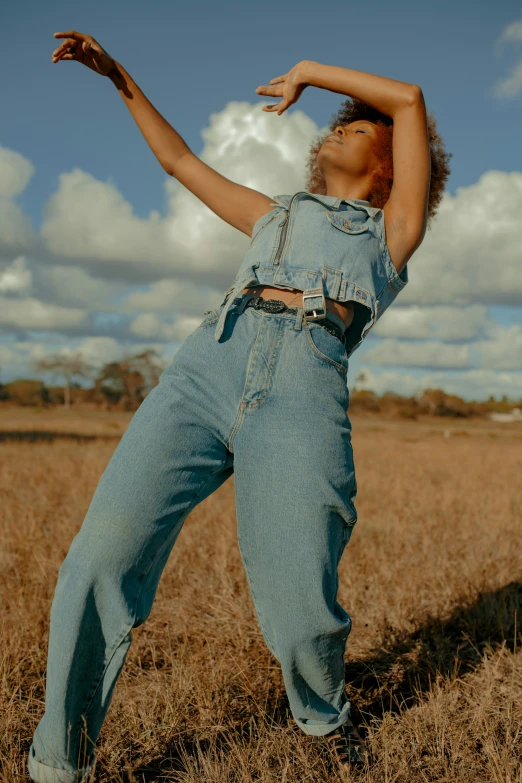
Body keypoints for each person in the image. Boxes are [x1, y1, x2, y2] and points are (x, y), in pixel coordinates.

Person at [28, 30, 451, 782]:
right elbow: (180, 161)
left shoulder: (392, 233)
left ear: (388, 166)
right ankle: (58, 764)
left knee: (297, 600)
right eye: (337, 121)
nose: (337, 127)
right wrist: (118, 75)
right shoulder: (272, 212)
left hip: (303, 384)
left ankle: (325, 724)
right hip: (206, 366)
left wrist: (313, 73)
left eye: (357, 125)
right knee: (98, 558)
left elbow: (408, 99)